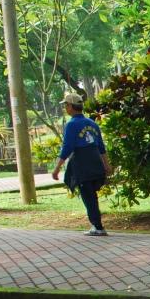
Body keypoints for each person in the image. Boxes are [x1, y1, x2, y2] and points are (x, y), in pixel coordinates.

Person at [51, 91, 112, 236]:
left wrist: (56, 168)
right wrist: (107, 165)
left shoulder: (72, 125)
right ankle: (97, 225)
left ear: (71, 106)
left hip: (82, 164)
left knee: (88, 196)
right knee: (92, 195)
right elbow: (101, 147)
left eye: (65, 105)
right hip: (95, 163)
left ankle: (97, 227)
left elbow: (67, 148)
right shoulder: (92, 123)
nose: (65, 108)